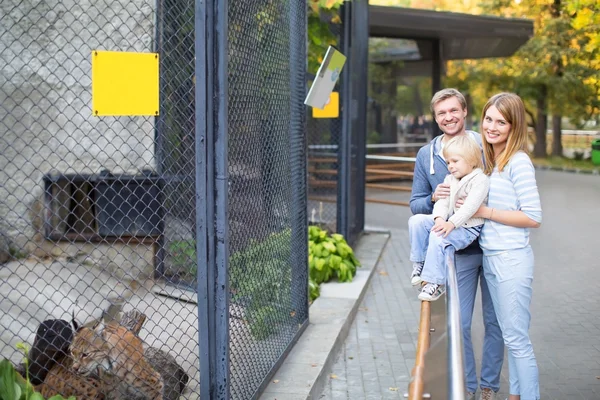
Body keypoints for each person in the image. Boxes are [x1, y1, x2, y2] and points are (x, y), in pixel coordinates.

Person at [409, 88, 504, 400]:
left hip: (492, 246)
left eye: (453, 110)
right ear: (436, 118)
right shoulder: (427, 155)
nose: (448, 117)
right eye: (441, 113)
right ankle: (468, 389)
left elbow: (501, 186)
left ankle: (489, 386)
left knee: (495, 322)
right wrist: (432, 198)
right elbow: (415, 204)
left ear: (464, 111)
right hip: (458, 251)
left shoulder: (485, 143)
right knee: (460, 324)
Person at [474, 92, 542, 400]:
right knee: (508, 334)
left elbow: (533, 216)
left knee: (517, 341)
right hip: (492, 258)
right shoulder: (492, 161)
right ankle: (515, 396)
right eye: (489, 118)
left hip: (511, 260)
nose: (492, 126)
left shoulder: (518, 162)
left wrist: (485, 212)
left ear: (514, 126)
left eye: (501, 121)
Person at [409, 135, 490, 302]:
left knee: (438, 236)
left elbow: (470, 208)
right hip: (450, 222)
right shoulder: (450, 179)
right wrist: (439, 219)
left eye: (455, 161)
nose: (450, 166)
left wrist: (451, 223)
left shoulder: (480, 180)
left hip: (467, 228)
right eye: (448, 162)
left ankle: (436, 283)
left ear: (470, 159)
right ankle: (419, 263)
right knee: (416, 221)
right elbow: (443, 202)